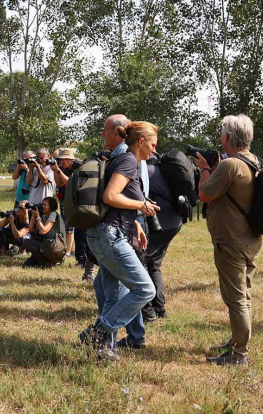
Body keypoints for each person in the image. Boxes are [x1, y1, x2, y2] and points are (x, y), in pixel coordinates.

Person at [79, 121, 160, 361]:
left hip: (105, 233)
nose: (154, 150)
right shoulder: (128, 161)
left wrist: (134, 222)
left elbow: (114, 201)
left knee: (113, 295)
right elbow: (110, 196)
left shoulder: (122, 160)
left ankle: (104, 349)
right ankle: (99, 331)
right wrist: (141, 206)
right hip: (109, 236)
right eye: (153, 145)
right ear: (141, 142)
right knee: (145, 289)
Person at [195, 114, 262, 366]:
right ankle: (236, 342)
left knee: (236, 299)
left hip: (231, 242)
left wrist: (203, 168)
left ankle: (239, 355)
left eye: (221, 133)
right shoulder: (254, 161)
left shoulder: (230, 165)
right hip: (249, 239)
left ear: (227, 137)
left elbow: (204, 194)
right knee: (243, 295)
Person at [141, 156, 184, 322]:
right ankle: (160, 308)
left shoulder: (149, 172)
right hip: (174, 224)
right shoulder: (165, 171)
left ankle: (148, 311)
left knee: (140, 262)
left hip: (160, 226)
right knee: (154, 264)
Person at [51, 149, 87, 267]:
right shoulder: (65, 168)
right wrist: (56, 171)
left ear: (69, 159)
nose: (61, 162)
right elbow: (59, 183)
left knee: (81, 232)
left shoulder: (79, 167)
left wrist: (59, 171)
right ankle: (80, 259)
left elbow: (72, 183)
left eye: (62, 160)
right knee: (76, 230)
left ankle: (83, 259)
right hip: (70, 201)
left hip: (81, 202)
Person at [22, 196, 67, 268]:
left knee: (27, 242)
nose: (42, 206)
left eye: (45, 205)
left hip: (56, 247)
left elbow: (43, 231)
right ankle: (45, 262)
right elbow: (31, 230)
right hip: (48, 245)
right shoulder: (44, 216)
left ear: (51, 206)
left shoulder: (53, 214)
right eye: (42, 204)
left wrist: (38, 217)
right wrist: (34, 216)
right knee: (26, 264)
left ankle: (46, 263)